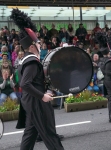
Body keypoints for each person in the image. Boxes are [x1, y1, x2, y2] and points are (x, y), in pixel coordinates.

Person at [10, 8, 64, 150]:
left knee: (30, 134)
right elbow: (25, 84)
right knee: (50, 134)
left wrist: (45, 91)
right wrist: (42, 96)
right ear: (33, 46)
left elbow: (30, 83)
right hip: (36, 103)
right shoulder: (32, 61)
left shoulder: (25, 60)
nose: (40, 45)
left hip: (30, 101)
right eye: (38, 43)